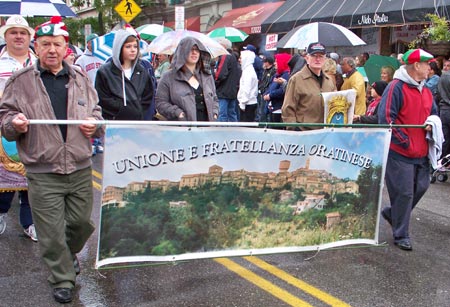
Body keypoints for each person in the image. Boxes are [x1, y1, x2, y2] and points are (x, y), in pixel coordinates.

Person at [0, 16, 104, 303]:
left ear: (66, 47)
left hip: (80, 167)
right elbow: (5, 119)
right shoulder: (21, 82)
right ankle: (62, 278)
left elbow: (96, 114)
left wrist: (94, 124)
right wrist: (14, 124)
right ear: (37, 46)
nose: (51, 50)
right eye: (45, 44)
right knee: (51, 232)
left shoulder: (81, 78)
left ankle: (66, 255)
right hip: (43, 169)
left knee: (82, 224)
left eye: (57, 44)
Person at [378, 49, 438, 251]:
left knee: (421, 187)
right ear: (416, 66)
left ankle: (392, 213)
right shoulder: (396, 87)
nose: (430, 68)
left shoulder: (426, 90)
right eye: (427, 64)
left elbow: (434, 114)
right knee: (404, 193)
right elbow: (386, 119)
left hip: (421, 152)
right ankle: (401, 234)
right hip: (400, 152)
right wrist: (405, 142)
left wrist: (433, 124)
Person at [0, 15, 38, 242]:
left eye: (23, 33)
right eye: (13, 32)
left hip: (34, 127)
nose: (18, 36)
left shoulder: (38, 61)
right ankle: (1, 213)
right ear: (5, 36)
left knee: (32, 175)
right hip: (4, 126)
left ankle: (29, 222)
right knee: (4, 173)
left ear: (29, 37)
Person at [95, 29, 154, 120]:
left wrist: (138, 111)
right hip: (114, 123)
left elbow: (147, 96)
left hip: (137, 124)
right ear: (119, 48)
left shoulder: (142, 71)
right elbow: (103, 98)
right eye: (128, 46)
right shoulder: (105, 72)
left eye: (135, 46)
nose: (133, 50)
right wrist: (122, 109)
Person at [155, 36, 218, 121]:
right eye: (190, 49)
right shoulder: (168, 77)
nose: (194, 52)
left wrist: (214, 113)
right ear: (182, 52)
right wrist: (177, 113)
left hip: (207, 128)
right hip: (182, 129)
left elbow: (214, 98)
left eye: (197, 49)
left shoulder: (207, 76)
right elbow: (160, 103)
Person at [282, 42, 336, 130]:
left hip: (325, 134)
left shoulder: (329, 81)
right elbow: (288, 109)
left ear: (325, 59)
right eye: (314, 56)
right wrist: (293, 129)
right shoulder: (296, 79)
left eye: (321, 56)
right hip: (304, 133)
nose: (318, 59)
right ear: (307, 58)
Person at [75, 33, 105, 155]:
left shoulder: (101, 58)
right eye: (91, 42)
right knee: (88, 117)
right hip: (87, 92)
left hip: (100, 90)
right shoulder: (81, 59)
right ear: (87, 43)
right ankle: (91, 143)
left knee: (98, 117)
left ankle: (98, 143)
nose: (93, 44)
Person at [215, 38, 241, 122]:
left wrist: (215, 83)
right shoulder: (233, 56)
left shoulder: (225, 56)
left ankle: (221, 134)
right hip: (232, 91)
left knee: (222, 114)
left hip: (223, 91)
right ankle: (234, 131)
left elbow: (220, 74)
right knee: (232, 114)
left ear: (223, 46)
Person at [263, 53, 291, 124]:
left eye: (277, 61)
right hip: (272, 107)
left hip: (279, 108)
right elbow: (270, 86)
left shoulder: (286, 75)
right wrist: (266, 94)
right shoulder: (277, 75)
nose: (275, 63)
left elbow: (282, 90)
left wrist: (270, 95)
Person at [237, 49, 258, 122]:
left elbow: (246, 88)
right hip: (249, 103)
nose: (239, 60)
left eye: (241, 58)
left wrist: (243, 103)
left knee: (245, 128)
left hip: (247, 104)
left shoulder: (248, 72)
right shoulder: (248, 70)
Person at [256, 54, 276, 122]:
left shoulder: (273, 71)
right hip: (262, 93)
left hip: (267, 94)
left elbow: (270, 83)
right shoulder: (265, 70)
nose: (263, 63)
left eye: (264, 62)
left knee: (265, 112)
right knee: (261, 111)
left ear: (268, 62)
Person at [437, 69, 450, 159]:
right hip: (446, 107)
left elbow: (438, 93)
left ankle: (441, 161)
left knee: (444, 139)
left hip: (443, 109)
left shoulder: (443, 76)